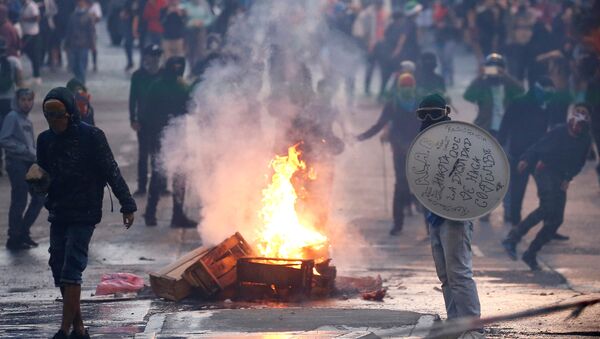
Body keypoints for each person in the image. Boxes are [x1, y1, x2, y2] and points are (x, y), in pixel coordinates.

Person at [33, 87, 136, 339]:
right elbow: (43, 175)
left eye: (58, 114)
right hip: (58, 210)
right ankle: (79, 327)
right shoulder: (45, 140)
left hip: (85, 211)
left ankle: (64, 329)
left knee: (72, 268)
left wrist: (127, 204)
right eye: (48, 115)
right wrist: (36, 181)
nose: (53, 121)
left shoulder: (92, 137)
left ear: (69, 113)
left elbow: (111, 171)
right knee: (58, 267)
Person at [417, 94, 482, 335]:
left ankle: (473, 328)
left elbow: (474, 174)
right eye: (423, 114)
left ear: (444, 112)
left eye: (434, 113)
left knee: (459, 273)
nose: (428, 119)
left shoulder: (458, 139)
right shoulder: (422, 141)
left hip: (455, 216)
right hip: (434, 215)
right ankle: (455, 324)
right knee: (445, 274)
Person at [502, 103, 592, 270]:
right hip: (545, 170)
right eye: (578, 113)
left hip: (562, 176)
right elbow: (538, 146)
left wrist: (568, 178)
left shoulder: (585, 139)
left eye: (584, 114)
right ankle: (513, 238)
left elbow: (579, 163)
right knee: (547, 207)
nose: (580, 119)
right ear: (572, 117)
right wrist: (526, 159)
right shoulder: (559, 131)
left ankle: (531, 253)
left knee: (556, 219)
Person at [357, 73, 420, 235]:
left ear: (414, 87)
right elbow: (379, 125)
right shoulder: (392, 105)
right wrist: (361, 137)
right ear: (399, 87)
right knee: (400, 185)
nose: (407, 89)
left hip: (418, 150)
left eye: (409, 86)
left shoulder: (421, 104)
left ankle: (429, 226)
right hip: (399, 150)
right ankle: (398, 224)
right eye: (404, 86)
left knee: (421, 186)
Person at [144, 56, 196, 228]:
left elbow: (191, 108)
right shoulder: (162, 86)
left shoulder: (180, 86)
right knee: (161, 176)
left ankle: (174, 215)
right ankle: (153, 214)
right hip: (163, 136)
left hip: (176, 136)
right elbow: (148, 112)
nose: (177, 68)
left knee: (176, 176)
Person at [498, 77, 554, 226]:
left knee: (547, 191)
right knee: (517, 192)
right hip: (519, 154)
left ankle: (550, 224)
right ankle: (515, 224)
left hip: (538, 154)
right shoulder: (519, 102)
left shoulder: (546, 103)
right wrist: (501, 144)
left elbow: (548, 129)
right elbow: (505, 123)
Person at [0, 88, 44, 250]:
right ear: (17, 101)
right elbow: (4, 140)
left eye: (29, 100)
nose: (26, 103)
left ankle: (23, 232)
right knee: (19, 200)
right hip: (16, 163)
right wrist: (24, 150)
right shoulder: (12, 117)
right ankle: (14, 237)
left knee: (40, 197)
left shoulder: (26, 119)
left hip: (29, 163)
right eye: (23, 100)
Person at [129, 44, 162, 195]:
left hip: (160, 121)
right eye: (152, 55)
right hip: (143, 121)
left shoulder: (163, 74)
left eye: (157, 56)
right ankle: (142, 186)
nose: (155, 59)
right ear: (146, 57)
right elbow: (133, 99)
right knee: (143, 155)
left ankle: (161, 185)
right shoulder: (137, 76)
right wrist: (133, 119)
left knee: (160, 155)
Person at [464, 53, 524, 137]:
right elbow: (468, 96)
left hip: (505, 128)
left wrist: (505, 75)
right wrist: (479, 76)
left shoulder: (507, 85)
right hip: (486, 128)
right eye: (491, 68)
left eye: (497, 68)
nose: (494, 71)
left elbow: (521, 92)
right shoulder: (482, 85)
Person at [0, 37, 23, 176]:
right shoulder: (14, 62)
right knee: (10, 134)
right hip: (10, 103)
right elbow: (20, 83)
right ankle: (10, 163)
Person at [64, 0, 96, 84]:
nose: (80, 3)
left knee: (82, 66)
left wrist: (93, 45)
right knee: (74, 66)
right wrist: (66, 44)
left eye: (82, 2)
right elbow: (68, 31)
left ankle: (81, 85)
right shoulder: (72, 16)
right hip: (73, 44)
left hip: (84, 45)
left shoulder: (89, 16)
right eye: (79, 2)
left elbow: (91, 31)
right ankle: (79, 83)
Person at [20, 0, 42, 84]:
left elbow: (37, 18)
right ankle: (35, 75)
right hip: (25, 33)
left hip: (32, 34)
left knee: (32, 54)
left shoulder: (32, 5)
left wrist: (26, 19)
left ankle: (37, 76)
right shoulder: (24, 6)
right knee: (31, 54)